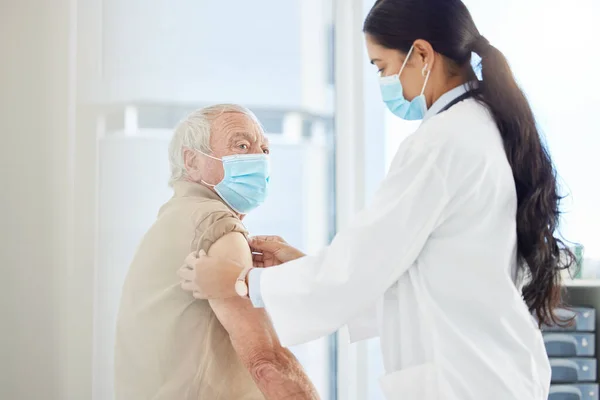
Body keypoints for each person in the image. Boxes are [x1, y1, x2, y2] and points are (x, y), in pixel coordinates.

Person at [178, 1, 574, 399]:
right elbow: (418, 278)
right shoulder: (481, 129)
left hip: (467, 380)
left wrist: (243, 282)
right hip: (488, 372)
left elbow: (359, 268)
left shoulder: (442, 142)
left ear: (421, 54)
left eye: (383, 67)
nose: (385, 81)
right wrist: (302, 267)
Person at [114, 104, 319, 400]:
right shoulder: (214, 223)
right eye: (241, 145)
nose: (259, 159)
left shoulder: (171, 221)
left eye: (264, 150)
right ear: (192, 161)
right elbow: (267, 362)